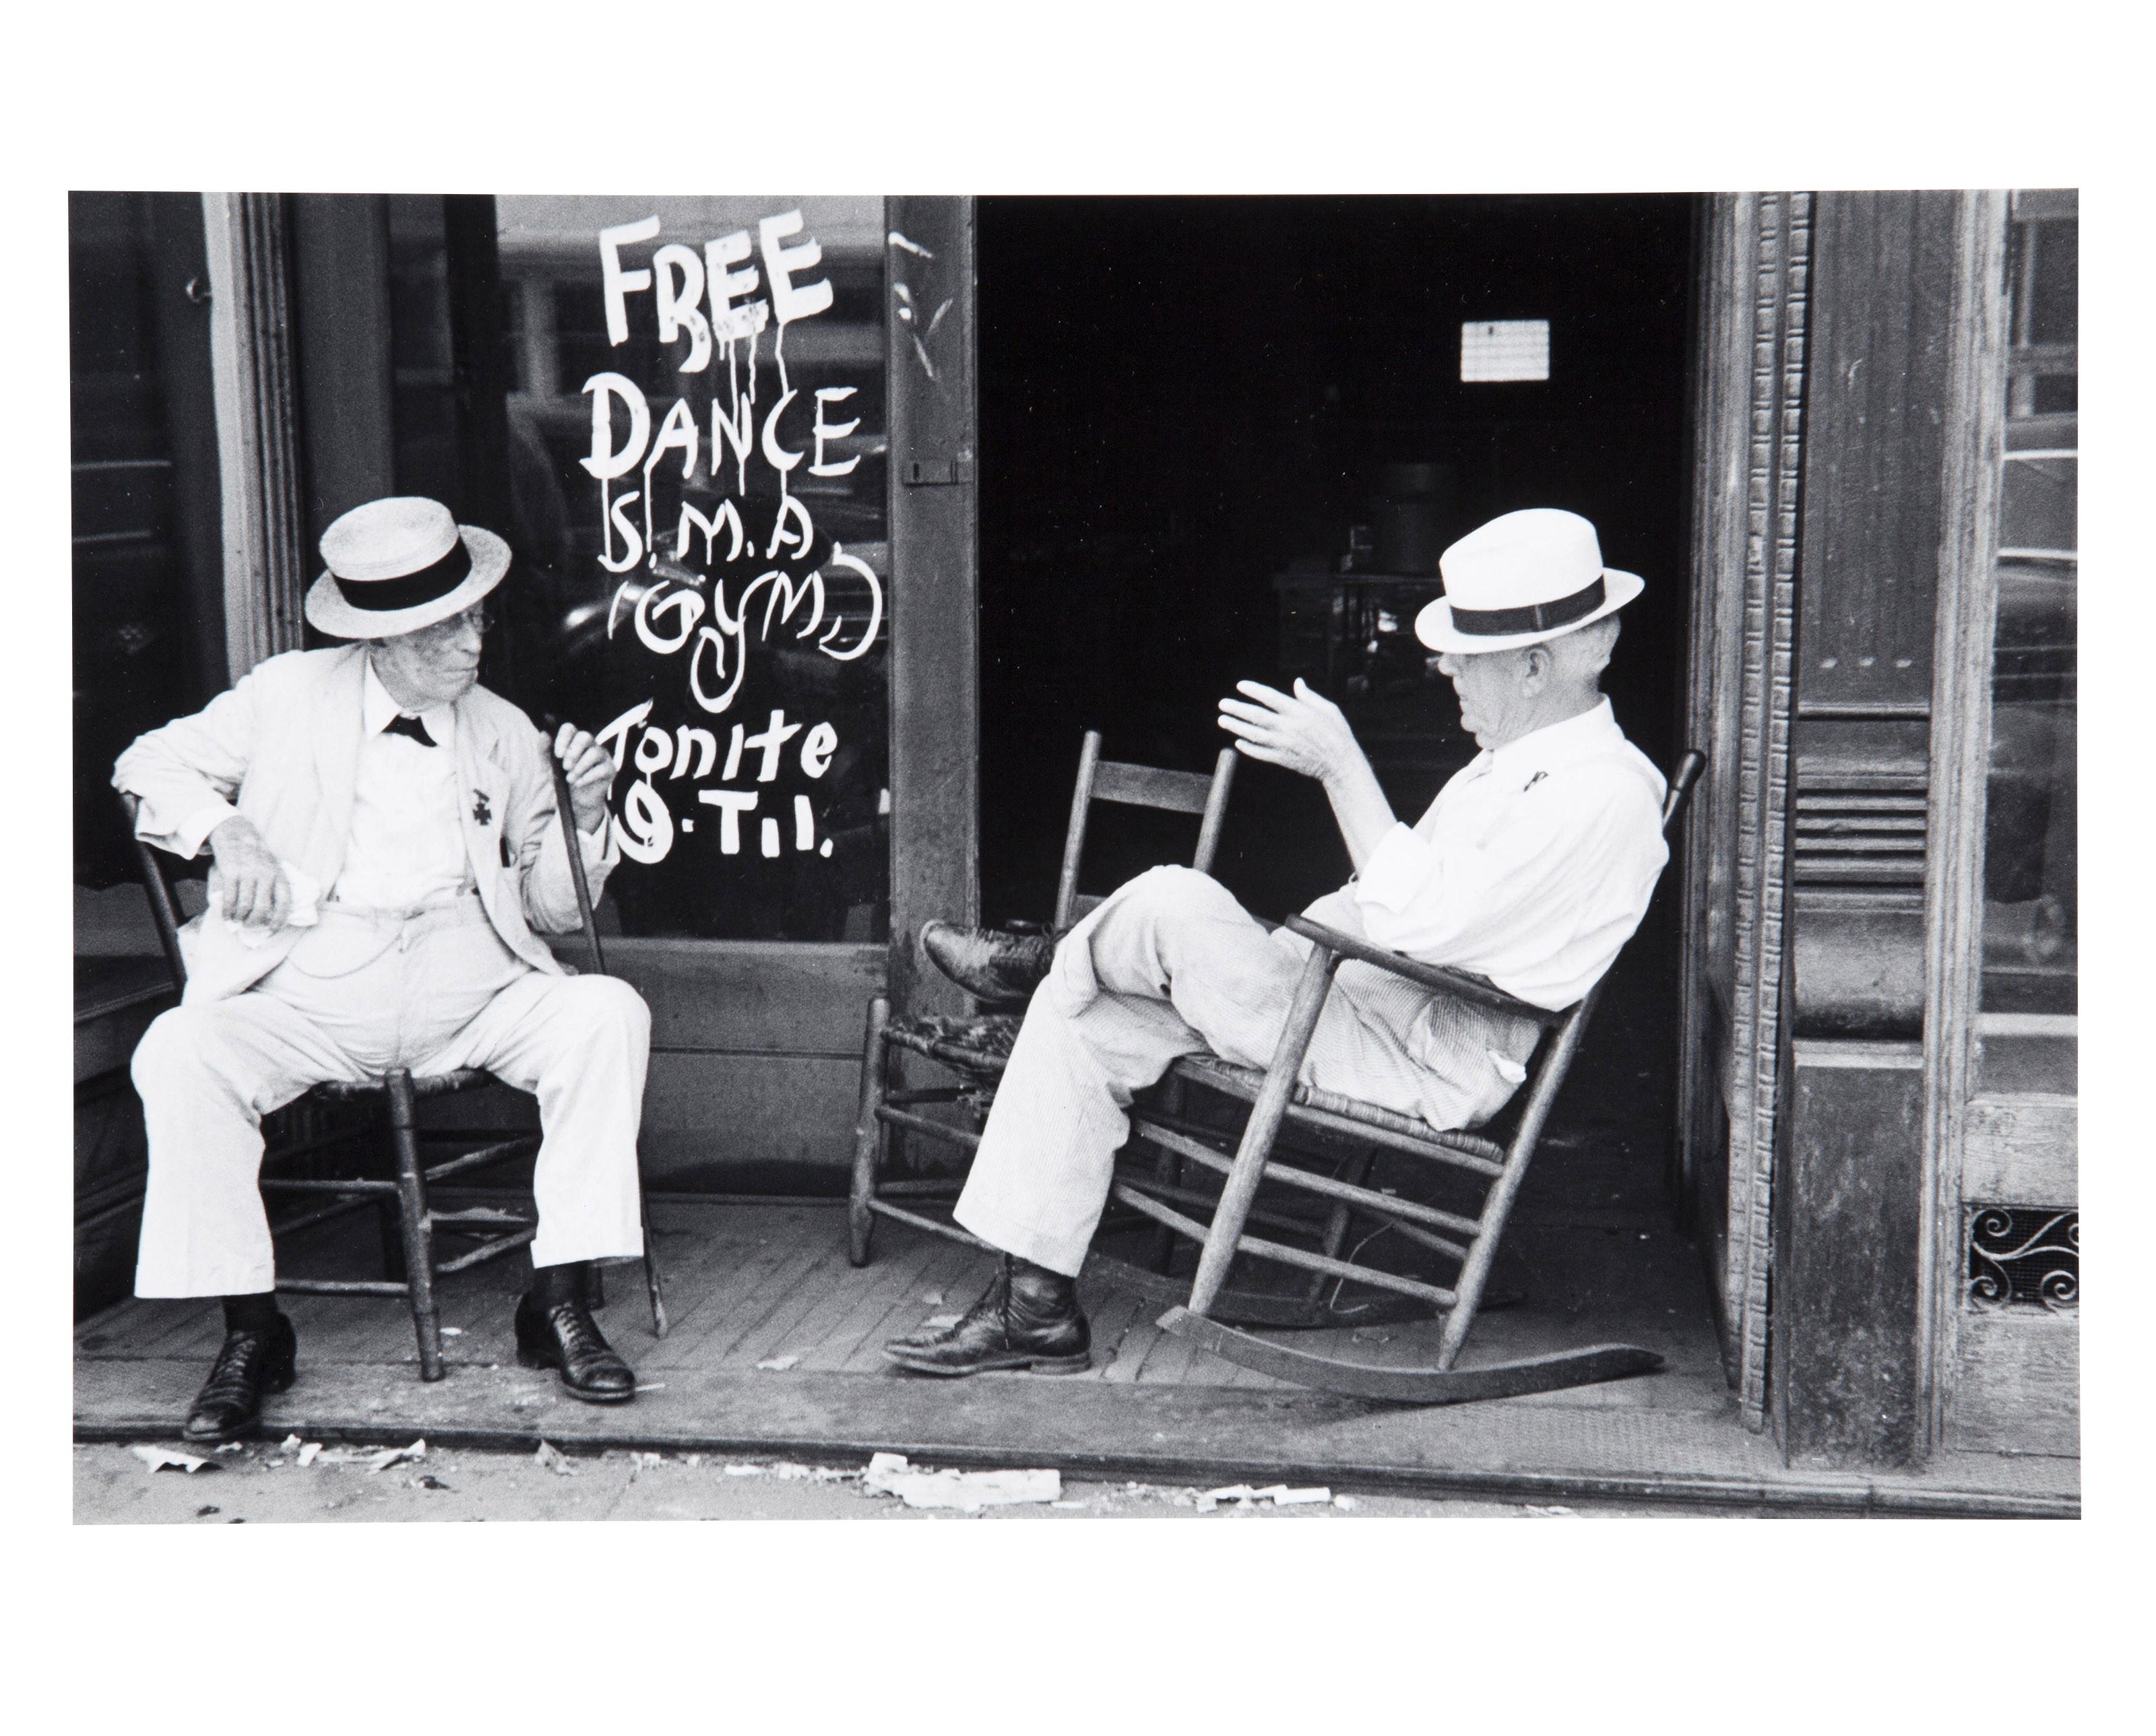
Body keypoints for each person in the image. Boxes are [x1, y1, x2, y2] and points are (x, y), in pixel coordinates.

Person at [886, 507, 1670, 1376]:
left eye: (1466, 652)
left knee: (1172, 901)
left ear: (1534, 667)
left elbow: (1423, 919)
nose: (1443, 666)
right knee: (1091, 1017)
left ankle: (1032, 963)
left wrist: (1341, 763)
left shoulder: (1604, 796)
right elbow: (1402, 905)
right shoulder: (1514, 761)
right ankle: (1033, 1310)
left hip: (1409, 1049)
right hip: (1358, 997)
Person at [115, 496, 652, 1441]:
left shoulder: (502, 728)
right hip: (314, 986)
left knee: (606, 1013)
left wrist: (589, 811)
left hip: (471, 983)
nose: (471, 641)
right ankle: (252, 1329)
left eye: (475, 614)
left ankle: (558, 1299)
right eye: (443, 627)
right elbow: (146, 762)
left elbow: (557, 910)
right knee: (180, 1049)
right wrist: (227, 830)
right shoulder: (284, 695)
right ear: (381, 639)